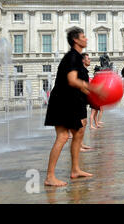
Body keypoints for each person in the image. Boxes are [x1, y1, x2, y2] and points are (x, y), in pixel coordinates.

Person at [44, 27, 101, 186]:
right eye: (84, 36)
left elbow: (78, 86)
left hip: (68, 100)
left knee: (79, 132)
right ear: (76, 40)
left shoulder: (75, 57)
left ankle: (75, 169)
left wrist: (91, 93)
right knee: (62, 137)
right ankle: (50, 177)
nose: (86, 39)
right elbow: (72, 80)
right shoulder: (73, 57)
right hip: (61, 101)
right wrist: (95, 88)